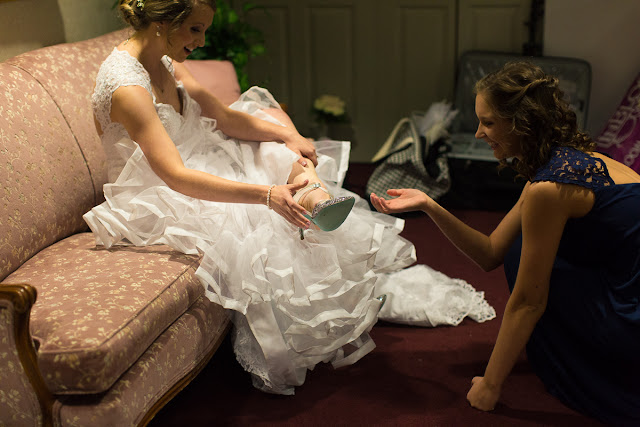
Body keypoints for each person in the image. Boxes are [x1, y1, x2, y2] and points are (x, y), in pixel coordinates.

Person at [84, 0, 418, 395]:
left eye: (203, 30)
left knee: (269, 125)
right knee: (257, 206)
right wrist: (265, 196)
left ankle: (313, 194)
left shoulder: (166, 60)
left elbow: (223, 117)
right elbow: (175, 175)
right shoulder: (128, 88)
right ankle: (309, 194)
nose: (201, 41)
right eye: (195, 29)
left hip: (200, 156)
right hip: (162, 187)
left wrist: (288, 136)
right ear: (162, 22)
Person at [371, 61, 640, 425]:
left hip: (629, 314)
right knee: (520, 248)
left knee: (527, 259)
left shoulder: (550, 188)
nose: (479, 133)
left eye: (490, 122)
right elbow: (489, 252)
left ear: (523, 123)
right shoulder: (563, 168)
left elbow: (529, 301)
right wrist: (429, 205)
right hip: (621, 282)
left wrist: (490, 385)